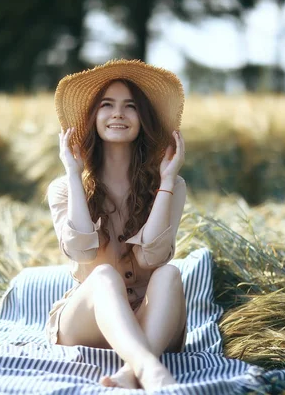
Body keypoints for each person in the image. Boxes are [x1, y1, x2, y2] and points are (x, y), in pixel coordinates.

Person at [45, 59, 187, 391]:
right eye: (106, 105)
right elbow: (81, 252)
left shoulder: (173, 185)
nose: (118, 113)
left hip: (149, 320)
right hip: (88, 320)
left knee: (170, 274)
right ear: (93, 118)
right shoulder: (64, 187)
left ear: (144, 119)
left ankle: (131, 371)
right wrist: (73, 173)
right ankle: (150, 371)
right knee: (104, 274)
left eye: (130, 106)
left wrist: (166, 181)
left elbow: (152, 259)